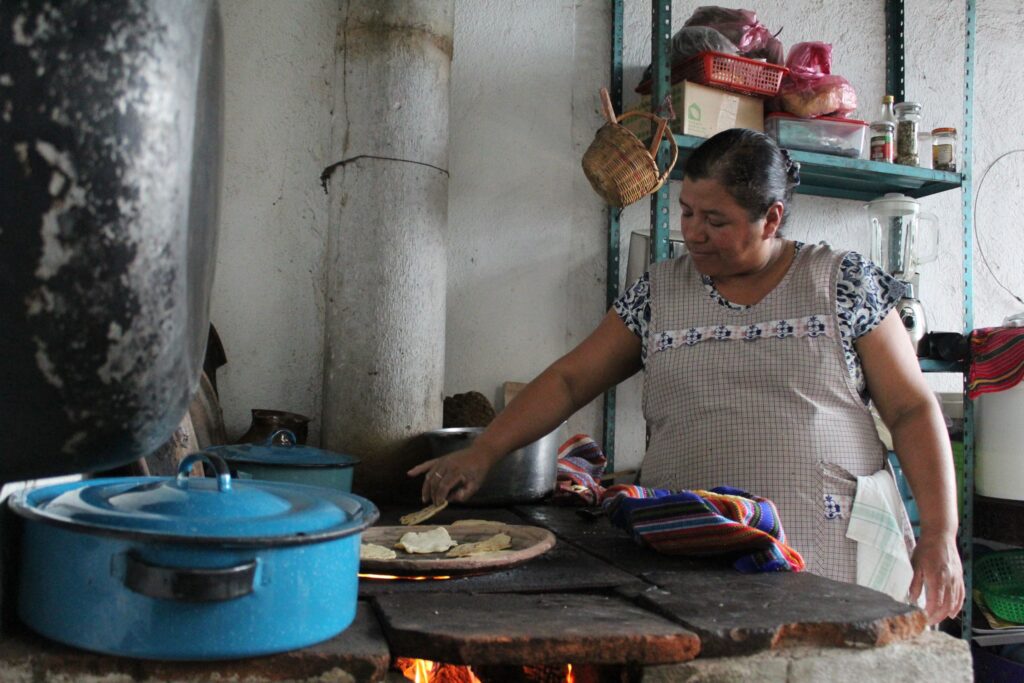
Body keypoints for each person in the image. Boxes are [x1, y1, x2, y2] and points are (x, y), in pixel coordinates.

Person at [408, 128, 964, 624]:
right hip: (686, 561)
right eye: (687, 212)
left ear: (771, 217)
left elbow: (912, 409)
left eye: (715, 220)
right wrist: (484, 452)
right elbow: (570, 380)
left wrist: (940, 533)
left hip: (830, 561)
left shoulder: (842, 283)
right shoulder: (659, 292)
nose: (693, 233)